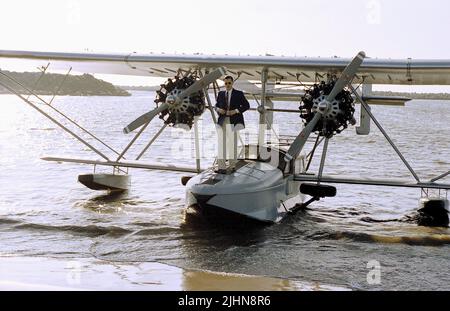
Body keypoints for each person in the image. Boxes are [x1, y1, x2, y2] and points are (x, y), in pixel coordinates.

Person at [215, 76, 250, 172]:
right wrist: (219, 110)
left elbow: (247, 106)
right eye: (225, 83)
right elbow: (216, 106)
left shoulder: (238, 94)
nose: (227, 85)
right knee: (221, 144)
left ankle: (232, 166)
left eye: (229, 83)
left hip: (234, 121)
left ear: (232, 83)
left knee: (232, 144)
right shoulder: (221, 94)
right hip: (222, 121)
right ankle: (221, 167)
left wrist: (236, 111)